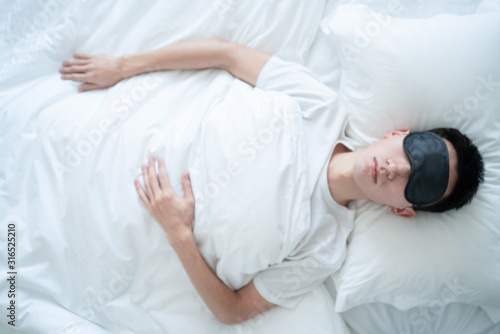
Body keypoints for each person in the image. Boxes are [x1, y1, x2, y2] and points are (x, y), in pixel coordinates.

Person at [59, 38, 484, 324]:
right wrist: (123, 66)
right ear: (398, 135)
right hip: (125, 122)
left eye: (417, 183)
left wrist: (178, 233)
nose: (398, 169)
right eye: (414, 154)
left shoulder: (324, 248)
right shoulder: (319, 105)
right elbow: (227, 55)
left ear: (402, 210)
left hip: (123, 219)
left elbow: (233, 310)